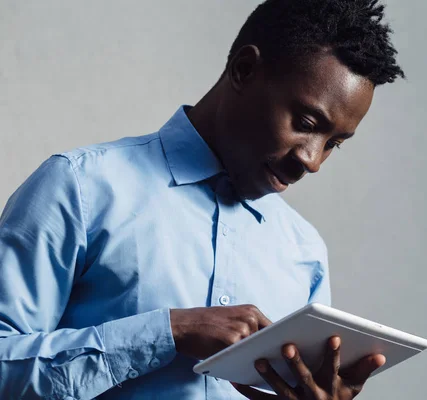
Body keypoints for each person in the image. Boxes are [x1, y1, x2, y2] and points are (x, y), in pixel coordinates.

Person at [0, 0, 404, 398]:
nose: (312, 161)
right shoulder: (81, 187)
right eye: (306, 123)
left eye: (333, 143)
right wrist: (167, 333)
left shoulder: (306, 252)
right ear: (245, 70)